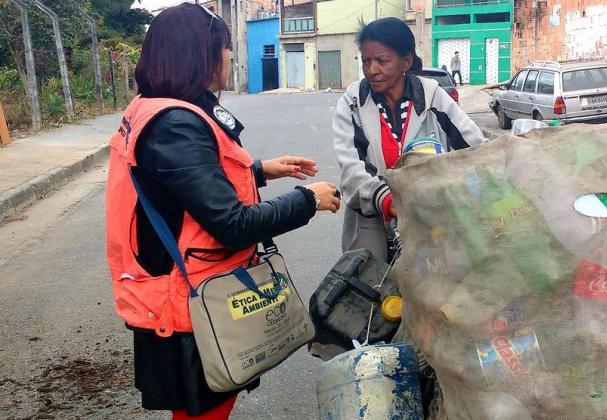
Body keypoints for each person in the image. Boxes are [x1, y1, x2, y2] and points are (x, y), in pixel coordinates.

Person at [104, 4, 340, 419]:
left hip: (180, 290)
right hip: (186, 304)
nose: (231, 57)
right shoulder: (175, 122)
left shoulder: (158, 107)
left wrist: (260, 170)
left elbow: (180, 185)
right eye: (226, 48)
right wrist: (309, 200)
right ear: (202, 54)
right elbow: (231, 225)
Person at [333, 18, 485, 263]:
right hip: (372, 232)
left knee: (438, 297)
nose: (371, 69)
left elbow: (476, 148)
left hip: (433, 231)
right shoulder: (353, 102)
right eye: (366, 60)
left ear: (407, 61)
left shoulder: (432, 95)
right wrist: (389, 200)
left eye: (382, 60)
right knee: (379, 296)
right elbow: (352, 170)